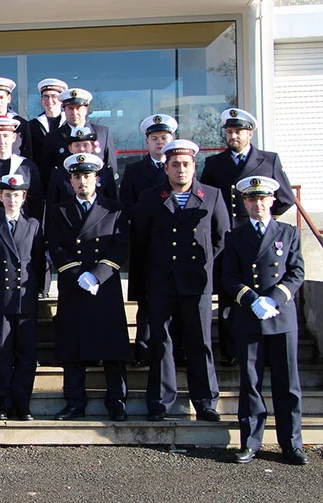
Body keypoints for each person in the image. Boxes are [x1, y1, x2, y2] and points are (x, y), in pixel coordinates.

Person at [130, 139, 229, 422]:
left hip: (196, 283)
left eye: (186, 164)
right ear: (166, 168)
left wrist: (204, 267)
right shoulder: (151, 197)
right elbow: (140, 241)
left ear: (194, 166)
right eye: (175, 165)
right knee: (161, 343)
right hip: (161, 282)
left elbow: (222, 238)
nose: (181, 169)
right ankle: (160, 402)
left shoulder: (212, 196)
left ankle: (205, 402)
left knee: (200, 342)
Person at [200, 108, 296, 367]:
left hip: (258, 237)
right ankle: (231, 350)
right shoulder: (214, 164)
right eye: (230, 132)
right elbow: (206, 199)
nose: (233, 136)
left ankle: (265, 347)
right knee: (229, 295)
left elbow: (286, 198)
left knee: (262, 289)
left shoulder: (269, 160)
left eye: (239, 132)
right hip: (227, 238)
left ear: (250, 134)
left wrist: (263, 221)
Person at [222, 176, 306, 465]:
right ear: (244, 203)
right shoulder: (234, 236)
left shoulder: (288, 232)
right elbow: (229, 277)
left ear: (271, 201)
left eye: (262, 199)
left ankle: (292, 444)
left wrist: (274, 299)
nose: (257, 204)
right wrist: (252, 300)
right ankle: (250, 442)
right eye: (251, 199)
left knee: (288, 384)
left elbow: (296, 271)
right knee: (251, 383)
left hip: (281, 317)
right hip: (249, 317)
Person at [47, 154, 130, 422]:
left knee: (112, 346)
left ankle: (116, 400)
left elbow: (120, 245)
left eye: (87, 176)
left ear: (97, 179)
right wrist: (77, 274)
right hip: (74, 285)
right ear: (70, 181)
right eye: (77, 177)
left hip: (104, 286)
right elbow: (55, 245)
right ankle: (74, 401)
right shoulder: (58, 210)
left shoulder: (114, 209)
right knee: (73, 345)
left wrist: (97, 275)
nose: (82, 181)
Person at [0, 174, 43, 421]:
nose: (12, 200)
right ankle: (4, 403)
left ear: (24, 197)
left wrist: (38, 289)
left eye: (16, 195)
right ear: (0, 197)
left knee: (26, 355)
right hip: (0, 299)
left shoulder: (34, 225)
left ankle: (23, 404)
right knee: (3, 354)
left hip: (25, 298)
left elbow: (38, 262)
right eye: (7, 195)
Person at [120, 113, 178, 366]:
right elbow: (126, 205)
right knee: (145, 300)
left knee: (175, 300)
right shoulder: (134, 170)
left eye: (164, 137)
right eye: (154, 138)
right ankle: (143, 351)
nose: (159, 142)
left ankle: (175, 352)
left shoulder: (180, 168)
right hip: (145, 243)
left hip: (174, 244)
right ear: (146, 142)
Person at [40, 88, 117, 194]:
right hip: (65, 199)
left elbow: (111, 168)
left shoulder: (102, 132)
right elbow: (47, 173)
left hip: (98, 197)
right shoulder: (53, 137)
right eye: (70, 108)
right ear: (64, 110)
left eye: (78, 108)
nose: (74, 112)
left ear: (86, 109)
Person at [45, 126, 118, 209]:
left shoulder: (105, 172)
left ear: (93, 147)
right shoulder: (59, 173)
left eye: (86, 145)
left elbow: (112, 205)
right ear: (70, 148)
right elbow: (52, 207)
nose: (81, 149)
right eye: (77, 145)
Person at [29, 78, 68, 168]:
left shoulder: (69, 124)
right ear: (41, 100)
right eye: (45, 96)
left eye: (54, 96)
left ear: (61, 100)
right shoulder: (32, 125)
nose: (49, 100)